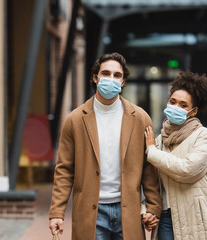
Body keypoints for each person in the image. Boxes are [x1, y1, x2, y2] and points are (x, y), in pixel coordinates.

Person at [49, 52, 162, 240]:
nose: (111, 79)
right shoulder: (75, 120)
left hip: (128, 211)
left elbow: (149, 167)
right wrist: (56, 212)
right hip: (90, 212)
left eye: (117, 75)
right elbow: (64, 170)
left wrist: (153, 206)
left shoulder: (140, 118)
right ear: (96, 77)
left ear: (123, 81)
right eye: (106, 73)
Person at [144, 70, 207, 240]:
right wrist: (147, 211)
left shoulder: (203, 135)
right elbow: (152, 185)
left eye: (183, 105)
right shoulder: (158, 141)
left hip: (196, 219)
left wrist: (151, 152)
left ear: (193, 111)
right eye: (172, 102)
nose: (176, 107)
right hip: (165, 220)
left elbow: (187, 170)